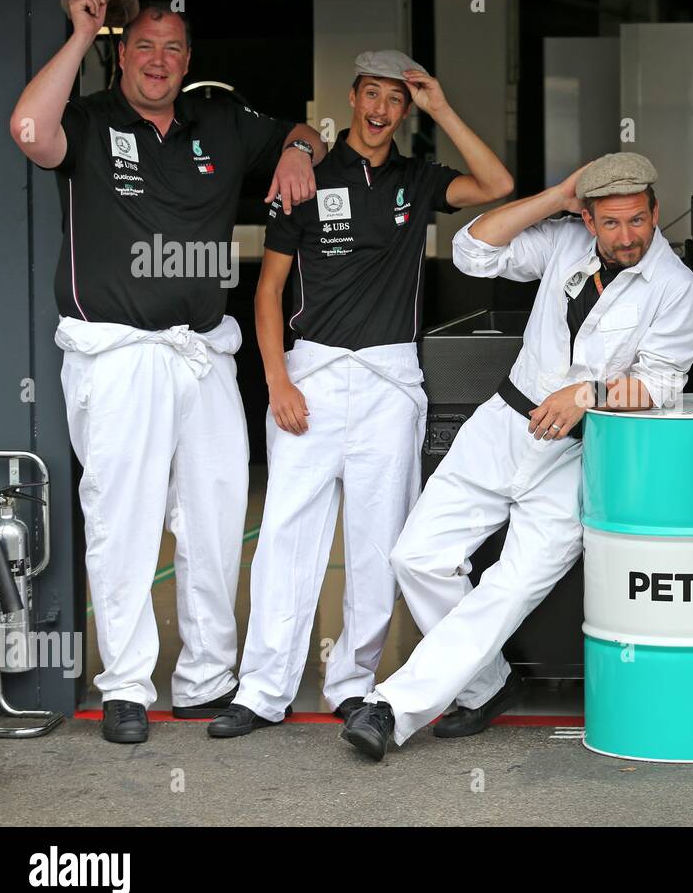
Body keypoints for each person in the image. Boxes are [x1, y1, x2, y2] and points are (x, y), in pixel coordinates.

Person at [9, 0, 326, 744]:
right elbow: (28, 129)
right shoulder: (88, 120)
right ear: (123, 54)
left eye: (174, 48)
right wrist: (83, 28)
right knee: (123, 521)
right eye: (145, 46)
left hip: (203, 351)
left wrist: (298, 149)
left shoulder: (217, 120)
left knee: (216, 517)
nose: (159, 60)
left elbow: (301, 130)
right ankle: (125, 685)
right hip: (117, 355)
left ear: (189, 62)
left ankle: (206, 676)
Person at [341, 153, 693, 760]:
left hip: (581, 456)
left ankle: (391, 708)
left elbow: (665, 385)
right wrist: (555, 195)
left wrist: (587, 395)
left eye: (638, 220)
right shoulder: (565, 243)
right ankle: (488, 685)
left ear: (656, 212)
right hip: (502, 426)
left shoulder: (677, 291)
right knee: (416, 557)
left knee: (507, 587)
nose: (627, 236)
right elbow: (471, 250)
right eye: (611, 223)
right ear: (587, 219)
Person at [207, 51, 513, 737]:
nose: (380, 110)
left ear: (406, 111)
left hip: (389, 381)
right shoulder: (306, 176)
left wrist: (440, 105)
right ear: (352, 97)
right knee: (286, 533)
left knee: (379, 544)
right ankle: (262, 689)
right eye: (371, 94)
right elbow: (267, 291)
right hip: (309, 376)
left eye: (395, 100)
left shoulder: (418, 178)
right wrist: (277, 379)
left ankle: (353, 680)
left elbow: (498, 181)